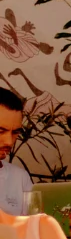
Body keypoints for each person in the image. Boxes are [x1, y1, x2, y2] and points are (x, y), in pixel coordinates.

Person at [0, 88, 32, 216]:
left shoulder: (20, 178)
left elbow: (32, 227)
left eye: (15, 132)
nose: (9, 142)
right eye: (0, 131)